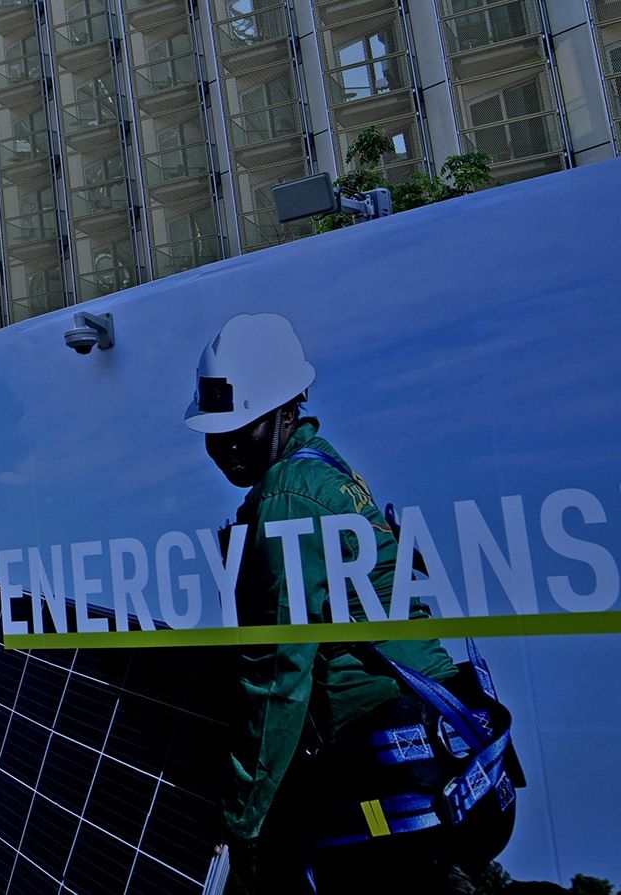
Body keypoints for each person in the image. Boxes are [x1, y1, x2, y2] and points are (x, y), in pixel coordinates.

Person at [185, 314, 487, 893]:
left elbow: (278, 672)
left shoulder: (288, 497)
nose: (224, 446)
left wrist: (242, 824)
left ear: (287, 411)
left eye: (241, 426)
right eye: (214, 431)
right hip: (428, 744)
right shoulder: (328, 472)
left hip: (382, 748)